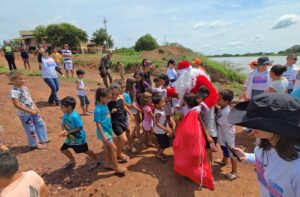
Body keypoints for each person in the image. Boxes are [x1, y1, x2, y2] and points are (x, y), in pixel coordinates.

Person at [229, 93, 300, 197]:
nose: (250, 126)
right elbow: (267, 158)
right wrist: (246, 156)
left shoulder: (296, 168)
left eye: (257, 123)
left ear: (278, 127)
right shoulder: (264, 144)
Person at [8, 71, 48, 150]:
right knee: (30, 128)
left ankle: (43, 139)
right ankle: (35, 143)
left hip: (33, 110)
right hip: (25, 114)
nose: (23, 80)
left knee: (40, 124)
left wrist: (35, 107)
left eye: (24, 79)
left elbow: (30, 99)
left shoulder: (25, 88)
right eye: (20, 79)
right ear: (13, 80)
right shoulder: (14, 91)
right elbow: (17, 105)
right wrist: (30, 111)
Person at [59, 96, 100, 169]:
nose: (60, 108)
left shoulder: (75, 116)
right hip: (70, 138)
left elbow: (80, 127)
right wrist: (63, 131)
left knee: (85, 150)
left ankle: (96, 159)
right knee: (63, 149)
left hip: (79, 138)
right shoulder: (65, 114)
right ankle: (72, 160)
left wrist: (68, 132)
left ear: (69, 107)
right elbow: (64, 124)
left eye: (62, 107)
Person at [94, 88, 127, 174]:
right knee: (114, 148)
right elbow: (98, 124)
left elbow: (106, 116)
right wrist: (103, 135)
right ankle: (117, 168)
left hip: (108, 130)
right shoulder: (97, 109)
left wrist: (111, 111)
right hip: (104, 132)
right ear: (101, 98)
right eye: (107, 98)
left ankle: (107, 163)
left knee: (107, 148)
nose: (109, 99)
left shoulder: (104, 105)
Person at [214, 90, 238, 180]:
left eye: (219, 99)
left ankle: (234, 171)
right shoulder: (223, 108)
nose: (217, 100)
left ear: (227, 101)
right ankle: (224, 161)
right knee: (223, 147)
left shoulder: (226, 112)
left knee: (232, 152)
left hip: (228, 135)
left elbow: (217, 121)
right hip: (224, 134)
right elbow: (219, 110)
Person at [108, 84, 132, 162]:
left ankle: (118, 151)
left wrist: (130, 113)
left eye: (116, 94)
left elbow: (124, 106)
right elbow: (105, 114)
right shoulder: (108, 101)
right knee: (124, 140)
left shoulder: (121, 97)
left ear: (120, 92)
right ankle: (119, 154)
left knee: (119, 139)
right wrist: (111, 112)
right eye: (112, 94)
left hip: (123, 120)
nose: (114, 96)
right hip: (115, 123)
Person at [196, 86, 218, 164]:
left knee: (205, 156)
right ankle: (209, 171)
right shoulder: (211, 103)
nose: (197, 99)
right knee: (209, 153)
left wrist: (208, 136)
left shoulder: (200, 108)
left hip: (209, 134)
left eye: (198, 97)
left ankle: (207, 174)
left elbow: (202, 123)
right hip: (214, 133)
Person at [116, 79, 137, 153]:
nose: (123, 89)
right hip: (117, 118)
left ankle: (130, 146)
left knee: (128, 130)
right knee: (120, 133)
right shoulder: (115, 96)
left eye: (124, 87)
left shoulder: (125, 95)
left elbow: (128, 105)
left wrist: (130, 113)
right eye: (121, 87)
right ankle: (121, 148)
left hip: (124, 116)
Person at [152, 95, 172, 161]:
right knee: (165, 144)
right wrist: (166, 129)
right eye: (162, 102)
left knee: (161, 143)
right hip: (160, 131)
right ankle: (159, 154)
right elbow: (157, 123)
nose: (164, 103)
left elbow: (163, 119)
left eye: (163, 101)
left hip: (161, 130)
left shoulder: (161, 109)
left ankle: (159, 152)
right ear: (157, 105)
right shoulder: (158, 113)